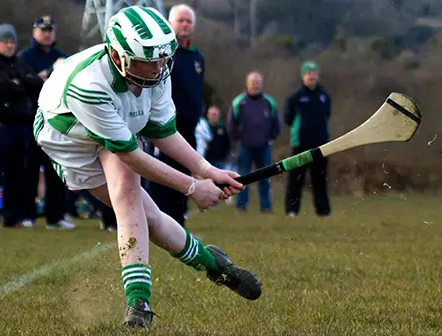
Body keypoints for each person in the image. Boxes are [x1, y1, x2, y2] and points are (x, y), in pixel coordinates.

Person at [32, 6, 261, 328]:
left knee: (135, 205)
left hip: (116, 134)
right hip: (69, 141)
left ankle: (139, 301)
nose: (157, 69)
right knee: (143, 212)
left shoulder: (156, 70)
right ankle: (212, 263)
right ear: (118, 56)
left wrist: (208, 170)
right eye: (148, 61)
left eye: (161, 60)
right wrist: (193, 187)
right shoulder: (90, 85)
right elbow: (132, 155)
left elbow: (163, 131)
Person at [0, 23, 44, 230]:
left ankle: (12, 216)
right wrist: (23, 83)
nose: (9, 45)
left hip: (19, 126)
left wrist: (20, 82)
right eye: (5, 42)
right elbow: (3, 86)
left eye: (12, 42)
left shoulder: (19, 63)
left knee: (16, 173)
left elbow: (37, 84)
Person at [148, 3, 205, 228]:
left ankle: (179, 225)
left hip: (189, 128)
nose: (184, 25)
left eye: (188, 21)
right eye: (180, 20)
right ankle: (159, 223)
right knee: (163, 174)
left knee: (185, 175)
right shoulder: (163, 53)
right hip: (165, 127)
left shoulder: (197, 57)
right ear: (170, 23)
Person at [17, 15, 75, 230]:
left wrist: (46, 79)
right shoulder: (24, 57)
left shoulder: (63, 57)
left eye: (50, 30)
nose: (47, 34)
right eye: (43, 30)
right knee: (29, 170)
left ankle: (56, 216)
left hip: (56, 120)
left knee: (56, 169)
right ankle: (27, 215)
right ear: (34, 32)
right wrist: (46, 77)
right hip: (31, 120)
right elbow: (27, 84)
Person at [227, 72, 280, 213]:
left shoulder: (269, 102)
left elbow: (276, 123)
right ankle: (241, 206)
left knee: (265, 177)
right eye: (252, 82)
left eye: (257, 82)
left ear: (261, 84)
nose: (255, 85)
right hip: (245, 147)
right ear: (247, 83)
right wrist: (238, 139)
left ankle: (266, 207)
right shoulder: (239, 102)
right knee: (243, 177)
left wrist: (271, 138)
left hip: (264, 147)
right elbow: (231, 124)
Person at [284, 61, 331, 217]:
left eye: (314, 73)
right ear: (303, 76)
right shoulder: (295, 97)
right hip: (300, 143)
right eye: (308, 73)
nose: (312, 76)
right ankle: (292, 210)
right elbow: (288, 118)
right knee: (296, 179)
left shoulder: (324, 96)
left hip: (321, 144)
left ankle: (323, 211)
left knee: (320, 179)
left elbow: (327, 115)